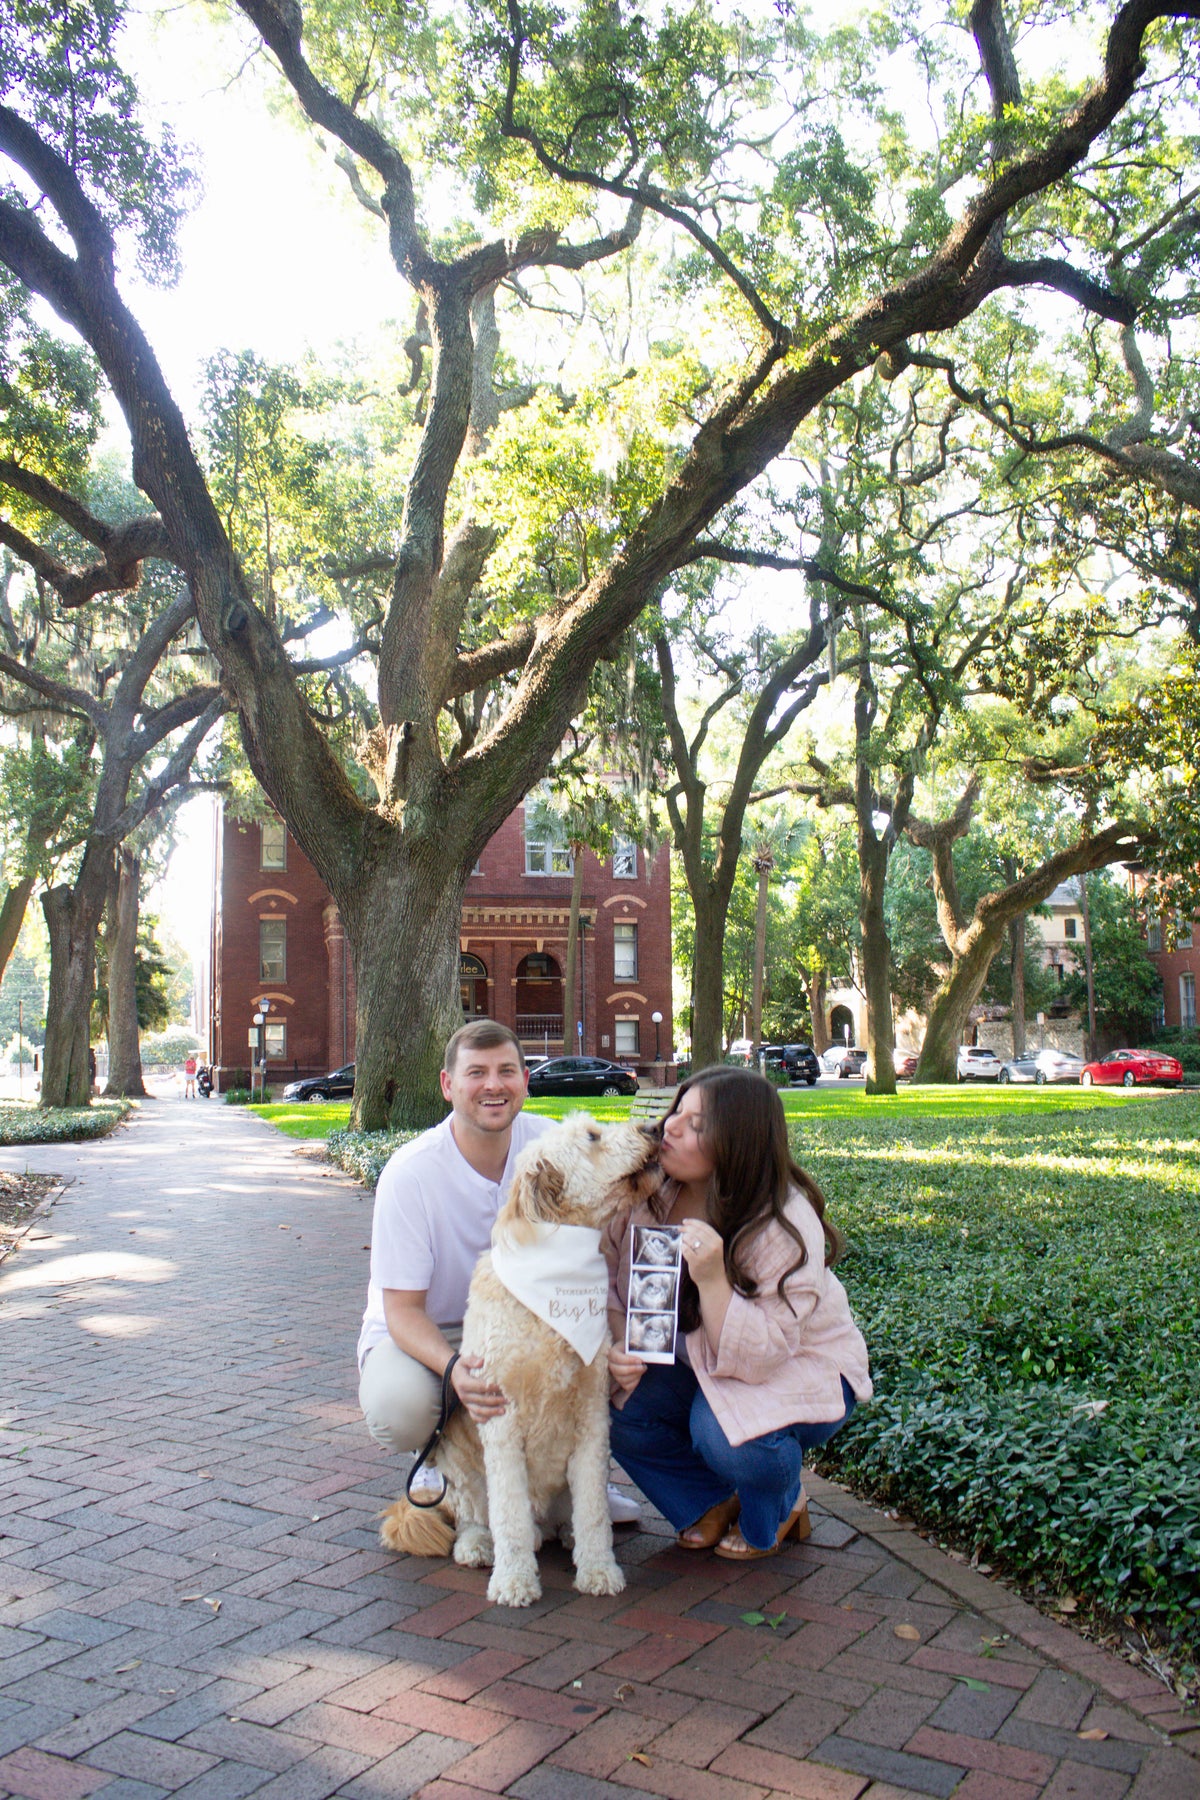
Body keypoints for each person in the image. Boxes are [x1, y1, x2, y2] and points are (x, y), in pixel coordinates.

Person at [357, 1019, 641, 1522]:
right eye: (477, 1073)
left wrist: (610, 1341)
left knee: (590, 1374)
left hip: (534, 1317)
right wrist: (452, 1367)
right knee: (401, 1405)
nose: (494, 1085)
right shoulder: (410, 1174)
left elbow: (596, 1252)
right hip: (434, 1330)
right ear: (448, 1086)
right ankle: (439, 1463)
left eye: (507, 1071)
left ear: (525, 1082)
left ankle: (575, 1486)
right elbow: (400, 1310)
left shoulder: (554, 1148)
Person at [604, 1066, 871, 1560]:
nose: (671, 1127)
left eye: (697, 1124)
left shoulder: (783, 1223)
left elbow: (759, 1358)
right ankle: (709, 1502)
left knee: (728, 1439)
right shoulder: (652, 1192)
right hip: (702, 1367)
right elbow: (615, 1290)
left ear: (738, 1142)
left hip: (800, 1367)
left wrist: (712, 1280)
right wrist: (619, 1347)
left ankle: (779, 1506)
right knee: (620, 1412)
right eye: (676, 1111)